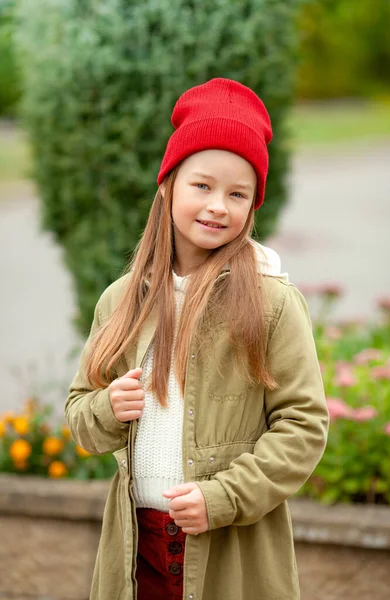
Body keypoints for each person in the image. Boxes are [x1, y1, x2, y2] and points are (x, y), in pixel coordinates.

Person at [65, 78, 329, 600]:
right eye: (202, 186)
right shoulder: (121, 300)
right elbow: (80, 417)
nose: (217, 206)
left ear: (253, 206)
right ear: (167, 184)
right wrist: (106, 408)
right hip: (136, 547)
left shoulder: (272, 301)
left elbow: (303, 427)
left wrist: (222, 497)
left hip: (228, 549)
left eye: (238, 194)